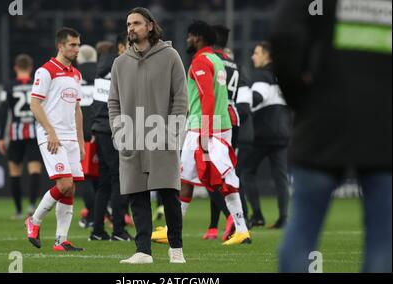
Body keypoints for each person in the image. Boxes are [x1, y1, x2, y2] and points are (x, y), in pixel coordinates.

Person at [272, 0, 391, 272]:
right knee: (384, 240)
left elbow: (284, 34)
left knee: (302, 231)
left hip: (323, 119)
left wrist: (300, 100)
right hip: (384, 123)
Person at [151, 20, 251, 246]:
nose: (187, 39)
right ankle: (241, 229)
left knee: (187, 178)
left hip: (203, 129)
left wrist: (205, 133)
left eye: (189, 36)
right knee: (212, 178)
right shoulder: (217, 59)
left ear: (197, 37)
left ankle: (171, 230)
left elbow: (208, 97)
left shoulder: (200, 62)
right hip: (219, 125)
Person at [108, 7, 188, 264]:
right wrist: (119, 131)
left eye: (137, 23)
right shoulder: (120, 63)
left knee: (168, 193)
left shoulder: (171, 56)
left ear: (150, 26)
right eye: (128, 23)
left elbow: (180, 98)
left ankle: (176, 248)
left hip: (162, 136)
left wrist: (172, 132)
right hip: (130, 137)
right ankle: (143, 251)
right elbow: (113, 102)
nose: (131, 28)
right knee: (137, 195)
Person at [25, 27, 85, 252]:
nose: (77, 49)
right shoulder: (46, 71)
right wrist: (50, 131)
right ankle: (34, 221)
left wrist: (81, 142)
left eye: (78, 45)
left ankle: (61, 240)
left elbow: (77, 109)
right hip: (52, 136)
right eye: (72, 45)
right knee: (64, 184)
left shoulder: (76, 74)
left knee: (70, 189)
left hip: (71, 138)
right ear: (60, 46)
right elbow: (35, 104)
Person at [240, 41, 292, 229]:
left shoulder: (262, 75)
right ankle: (284, 217)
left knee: (246, 171)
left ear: (267, 56)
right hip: (283, 134)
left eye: (257, 53)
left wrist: (242, 95)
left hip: (263, 135)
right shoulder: (280, 76)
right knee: (281, 177)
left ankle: (258, 215)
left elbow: (257, 98)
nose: (253, 56)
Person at [89, 39, 133, 241]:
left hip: (99, 128)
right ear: (121, 47)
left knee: (105, 182)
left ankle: (97, 230)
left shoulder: (101, 68)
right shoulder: (122, 68)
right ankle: (118, 230)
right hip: (113, 129)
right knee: (119, 180)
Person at [0, 54, 42, 220]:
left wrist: (1, 137)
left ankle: (18, 211)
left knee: (14, 172)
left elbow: (3, 111)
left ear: (15, 67)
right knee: (34, 170)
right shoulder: (36, 85)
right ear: (31, 68)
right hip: (34, 132)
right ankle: (31, 207)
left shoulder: (8, 86)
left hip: (15, 134)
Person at [75, 44, 98, 229]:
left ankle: (92, 215)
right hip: (101, 129)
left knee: (86, 176)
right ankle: (101, 214)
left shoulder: (74, 74)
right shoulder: (101, 73)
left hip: (81, 131)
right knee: (102, 176)